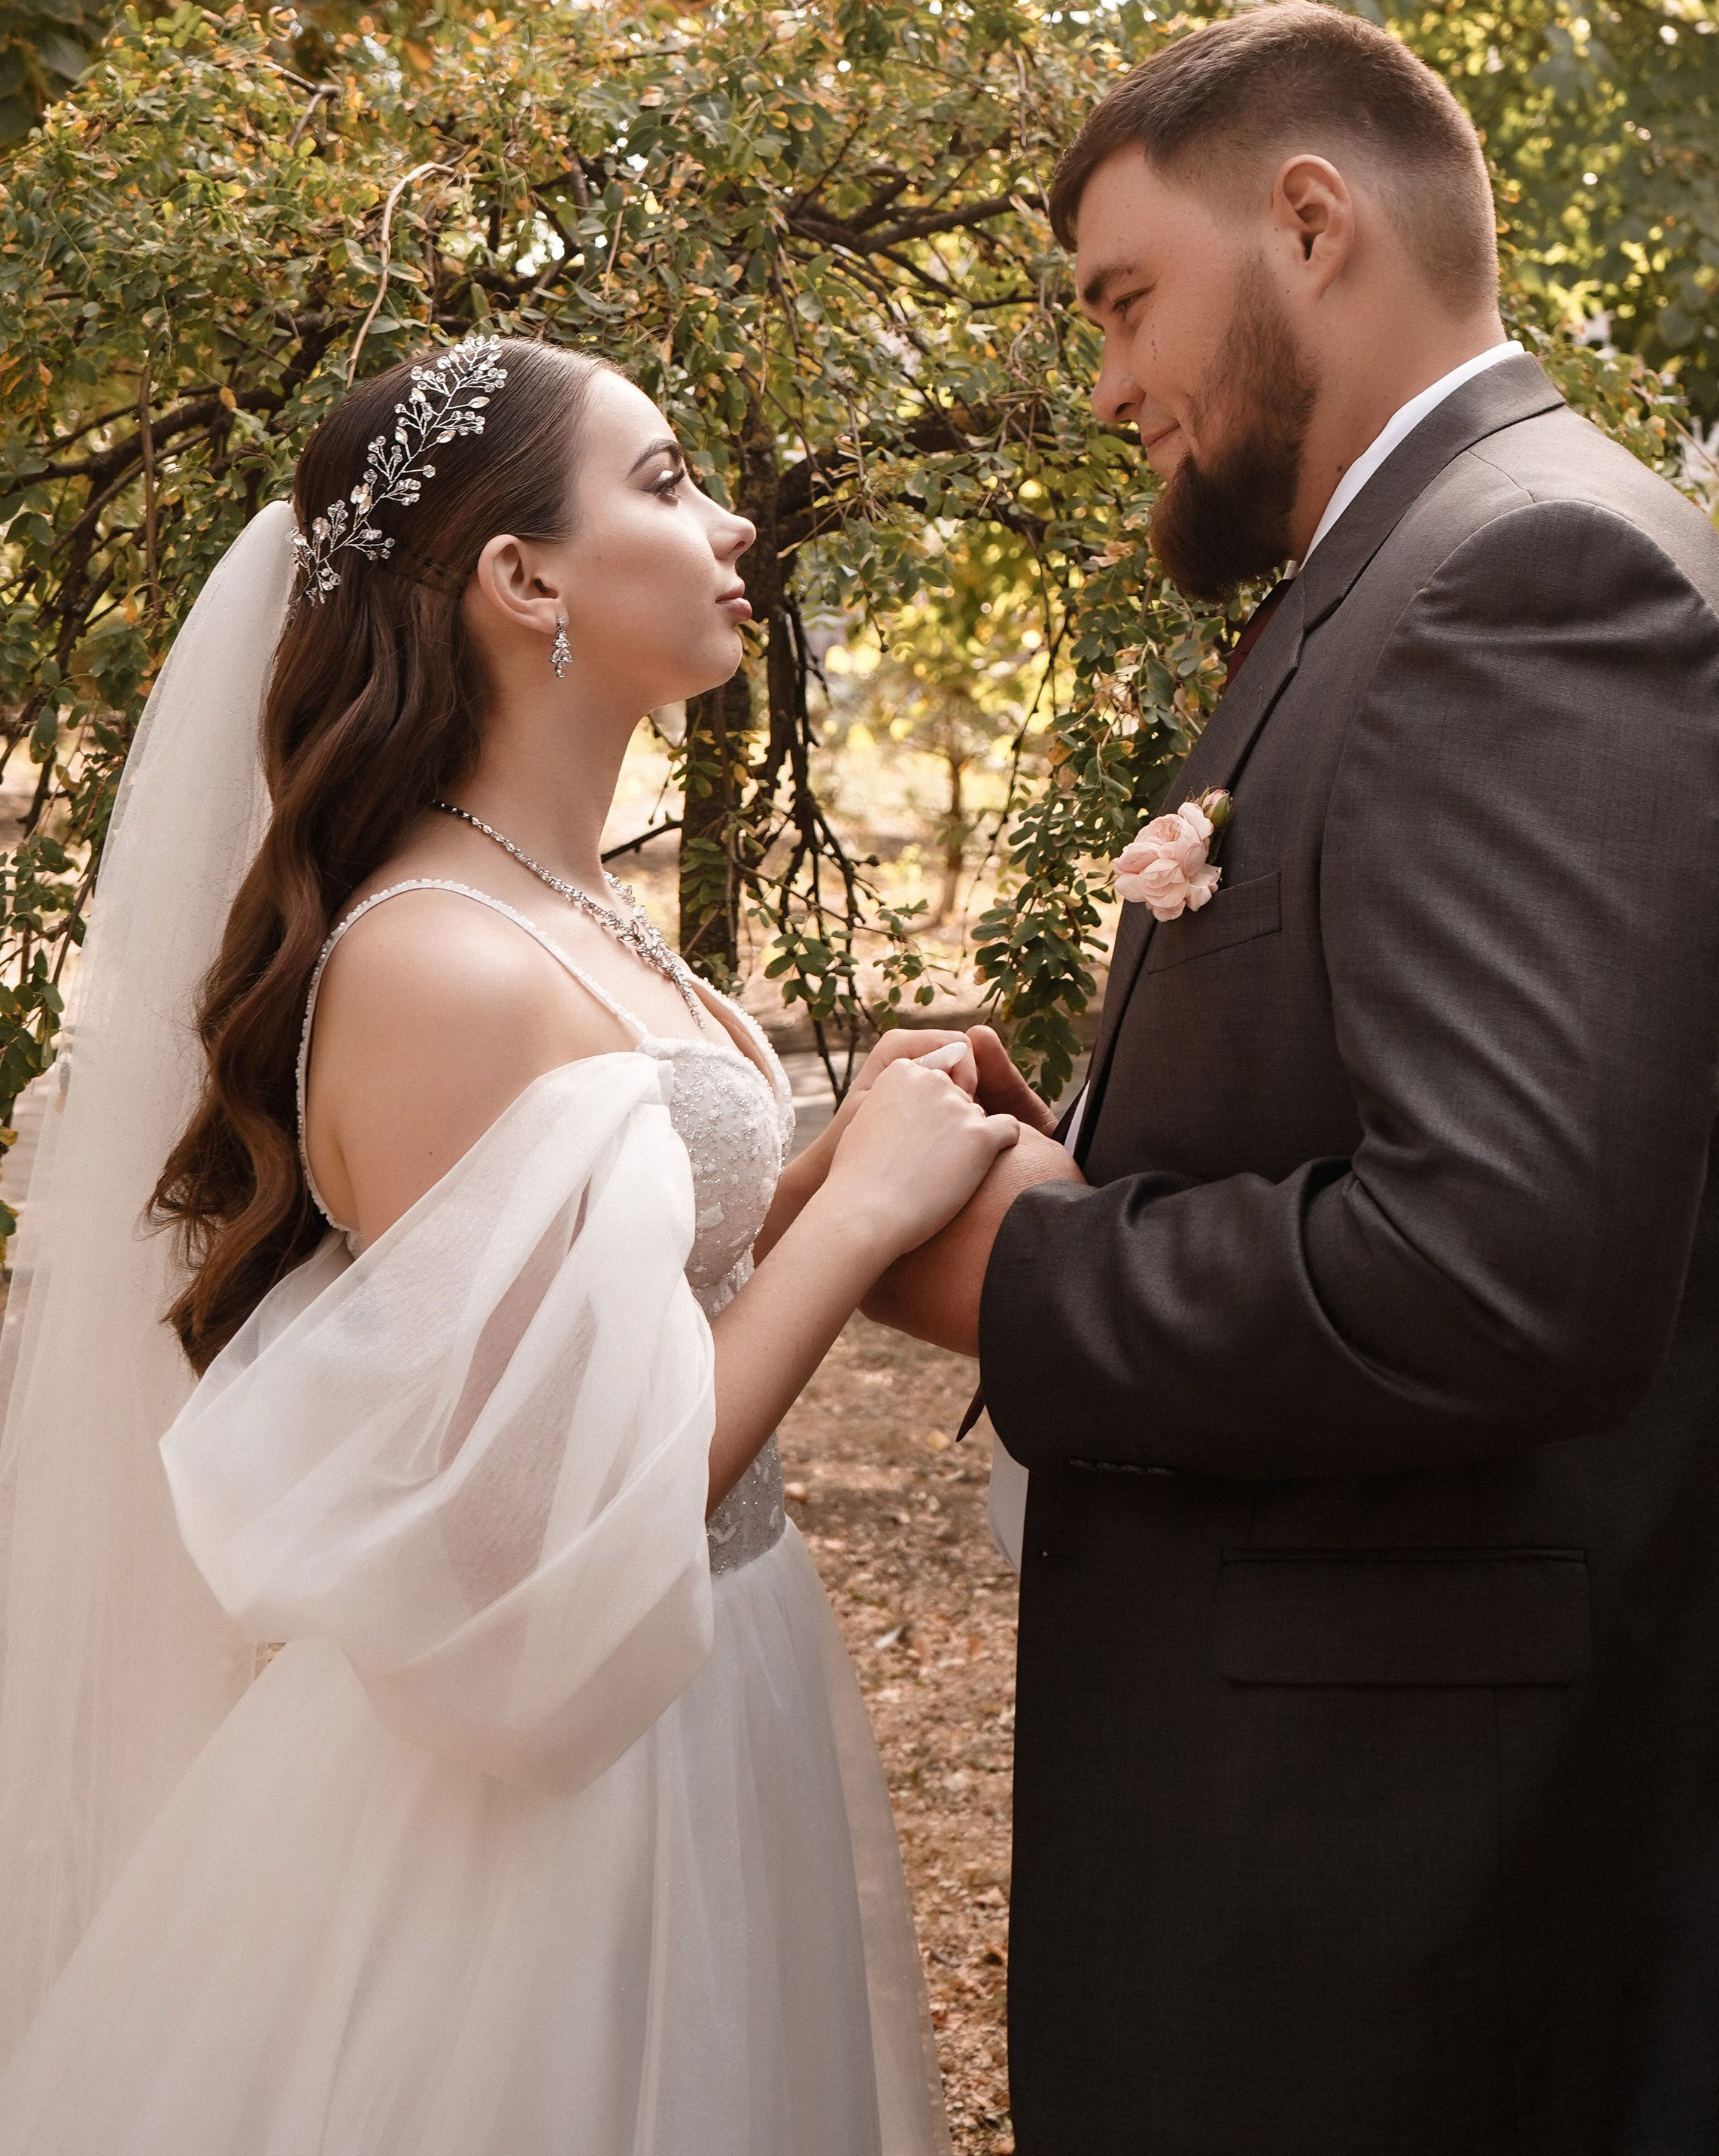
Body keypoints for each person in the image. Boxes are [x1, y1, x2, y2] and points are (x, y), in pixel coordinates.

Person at [864, 0, 1719, 2154]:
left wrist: (1016, 1275)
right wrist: (1073, 1153)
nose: (1110, 389)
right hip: (1364, 1862)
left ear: (1315, 220)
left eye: (1127, 302)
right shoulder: (1414, 565)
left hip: (1421, 1912)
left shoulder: (1532, 578)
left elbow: (1500, 1271)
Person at [0, 336, 1018, 2154]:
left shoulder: (575, 904)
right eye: (664, 479)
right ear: (521, 575)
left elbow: (624, 1294)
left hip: (720, 1667)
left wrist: (839, 1144)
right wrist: (859, 1215)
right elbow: (542, 1523)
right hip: (546, 1790)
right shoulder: (434, 963)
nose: (727, 528)